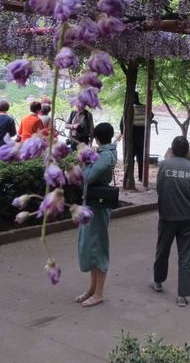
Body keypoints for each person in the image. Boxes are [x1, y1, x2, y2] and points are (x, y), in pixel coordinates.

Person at [151, 136, 190, 307]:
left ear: (172, 149)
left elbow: (159, 188)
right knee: (185, 254)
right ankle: (182, 295)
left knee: (163, 249)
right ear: (187, 150)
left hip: (167, 215)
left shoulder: (164, 165)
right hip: (187, 216)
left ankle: (158, 281)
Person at [76, 122, 117, 308]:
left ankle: (99, 293)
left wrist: (83, 159)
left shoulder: (106, 156)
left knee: (98, 248)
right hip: (92, 205)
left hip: (98, 207)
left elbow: (87, 177)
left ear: (97, 137)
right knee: (91, 247)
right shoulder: (103, 153)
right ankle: (92, 289)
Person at [118, 92, 157, 183]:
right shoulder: (144, 108)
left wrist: (123, 134)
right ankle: (140, 177)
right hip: (142, 137)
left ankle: (129, 176)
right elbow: (151, 115)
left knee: (130, 158)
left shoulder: (129, 109)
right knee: (140, 158)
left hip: (131, 138)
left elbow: (122, 124)